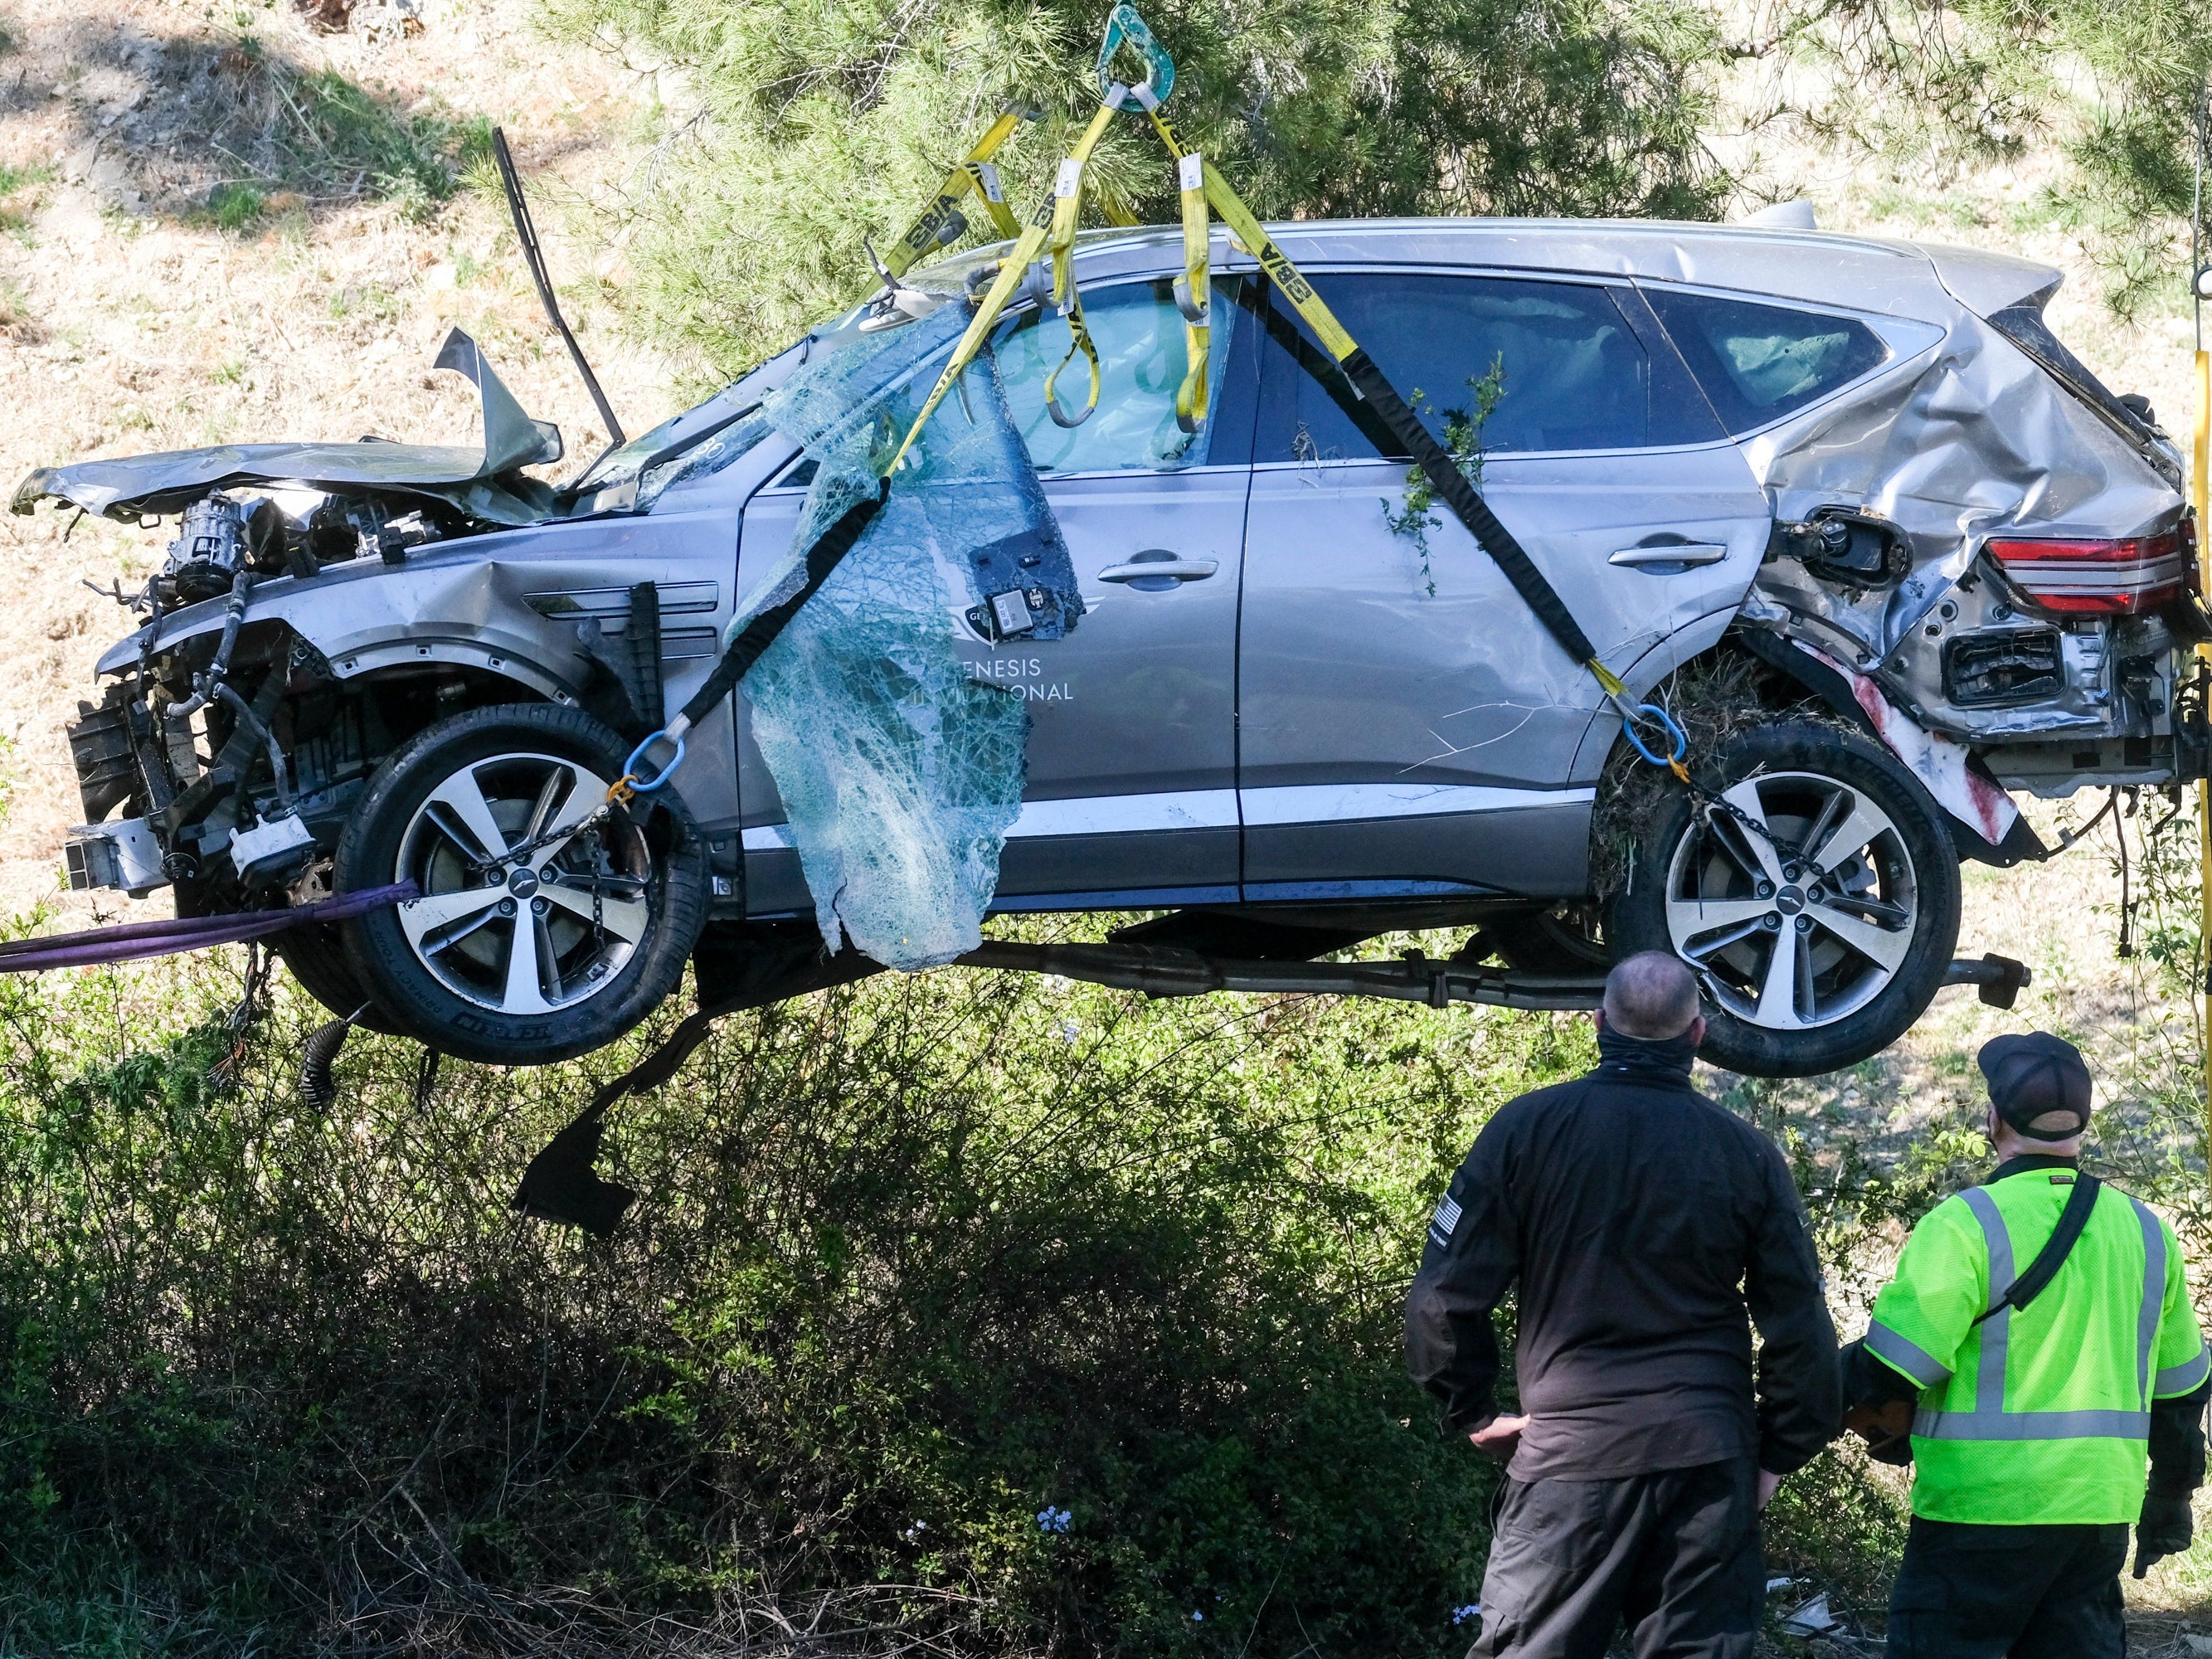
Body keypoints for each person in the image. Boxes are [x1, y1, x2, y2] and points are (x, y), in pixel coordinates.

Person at [1405, 951, 1839, 1659]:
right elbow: (1797, 1322)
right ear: (1696, 1035)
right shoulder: (1746, 1153)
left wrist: (1472, 1412)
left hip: (1568, 1460)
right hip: (1707, 1460)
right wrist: (1780, 1450)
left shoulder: (1524, 1130)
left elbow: (1441, 1296)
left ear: (1597, 1024)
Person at [1845, 1031, 2208, 1658]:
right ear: (2082, 1124)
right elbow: (2181, 1391)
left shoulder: (1964, 1223)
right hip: (2094, 1519)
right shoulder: (2148, 1232)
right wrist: (2170, 1495)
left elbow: (1892, 1367)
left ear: (1993, 1119)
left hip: (1974, 1516)